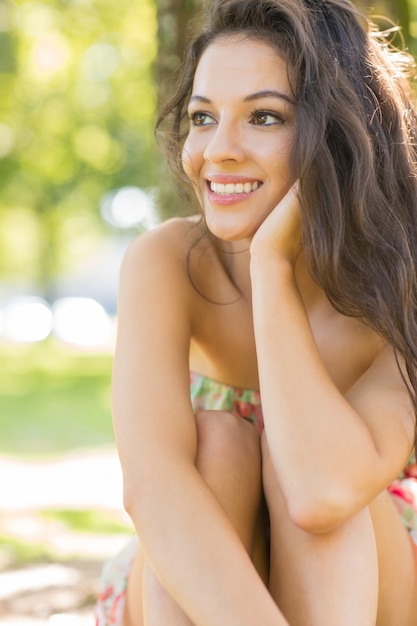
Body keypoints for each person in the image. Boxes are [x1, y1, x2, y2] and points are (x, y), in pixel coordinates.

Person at [94, 0, 417, 624]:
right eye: (203, 117)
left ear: (339, 132)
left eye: (264, 117)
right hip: (202, 576)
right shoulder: (166, 262)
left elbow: (323, 493)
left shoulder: (398, 292)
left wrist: (271, 266)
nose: (219, 150)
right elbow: (153, 487)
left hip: (365, 565)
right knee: (215, 442)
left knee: (309, 471)